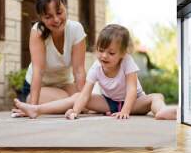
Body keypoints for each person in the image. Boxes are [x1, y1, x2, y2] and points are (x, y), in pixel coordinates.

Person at [14, 24, 177, 120]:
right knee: (77, 97)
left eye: (111, 53)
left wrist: (125, 111)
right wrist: (75, 110)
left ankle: (161, 111)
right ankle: (37, 110)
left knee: (156, 96)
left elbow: (132, 90)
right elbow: (85, 93)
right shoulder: (96, 66)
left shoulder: (128, 62)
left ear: (123, 54)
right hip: (109, 102)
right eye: (101, 50)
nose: (104, 56)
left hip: (134, 102)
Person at [12, 0, 87, 117]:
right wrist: (33, 107)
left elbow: (79, 70)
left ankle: (71, 103)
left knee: (86, 95)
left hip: (64, 84)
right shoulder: (38, 32)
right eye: (49, 17)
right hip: (39, 87)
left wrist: (83, 103)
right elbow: (38, 71)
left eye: (59, 12)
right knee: (69, 98)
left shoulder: (76, 29)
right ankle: (33, 104)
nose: (56, 20)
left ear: (65, 7)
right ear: (41, 18)